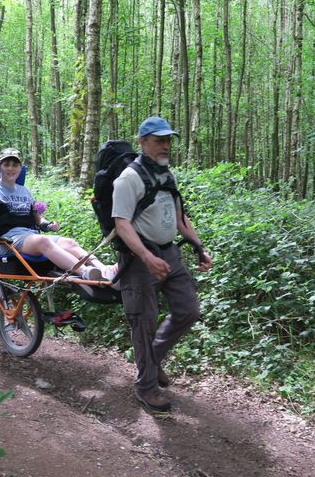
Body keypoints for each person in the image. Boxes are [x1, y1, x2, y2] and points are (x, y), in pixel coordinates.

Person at [112, 116, 213, 412]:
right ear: (142, 142)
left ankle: (152, 362)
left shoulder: (167, 175)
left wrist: (198, 247)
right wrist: (146, 256)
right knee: (143, 322)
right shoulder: (128, 178)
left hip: (170, 254)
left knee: (189, 310)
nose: (165, 145)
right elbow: (121, 224)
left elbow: (180, 218)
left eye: (168, 139)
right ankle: (146, 387)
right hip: (139, 261)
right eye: (159, 140)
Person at [0, 148, 106, 281]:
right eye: (6, 164)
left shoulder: (24, 191)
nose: (11, 168)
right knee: (43, 241)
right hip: (6, 241)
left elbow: (37, 219)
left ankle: (102, 269)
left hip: (29, 237)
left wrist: (47, 225)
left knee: (70, 243)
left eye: (15, 165)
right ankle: (85, 272)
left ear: (20, 168)